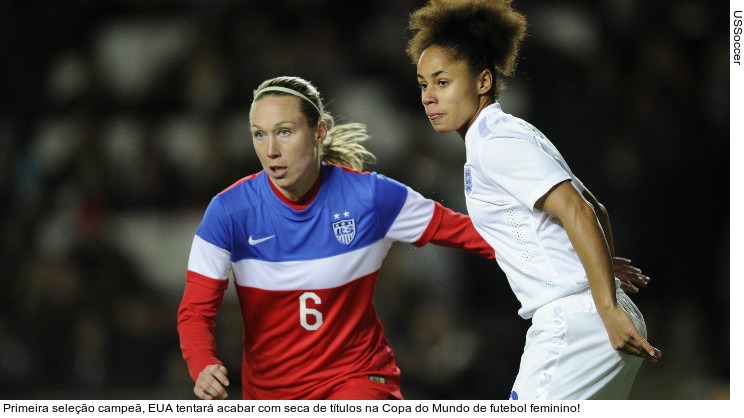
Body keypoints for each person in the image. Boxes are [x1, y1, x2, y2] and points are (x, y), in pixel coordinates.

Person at [176, 75, 497, 400]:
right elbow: (195, 312)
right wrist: (203, 364)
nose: (271, 150)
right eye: (260, 135)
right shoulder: (229, 211)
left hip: (359, 382)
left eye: (284, 132)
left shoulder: (370, 196)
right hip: (272, 396)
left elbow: (471, 233)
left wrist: (529, 250)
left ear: (318, 132)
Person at [405, 0, 662, 400]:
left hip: (575, 324)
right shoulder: (511, 132)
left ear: (483, 81)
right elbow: (594, 208)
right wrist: (595, 272)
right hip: (592, 315)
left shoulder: (496, 144)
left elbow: (578, 210)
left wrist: (604, 304)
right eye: (424, 84)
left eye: (442, 82)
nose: (429, 97)